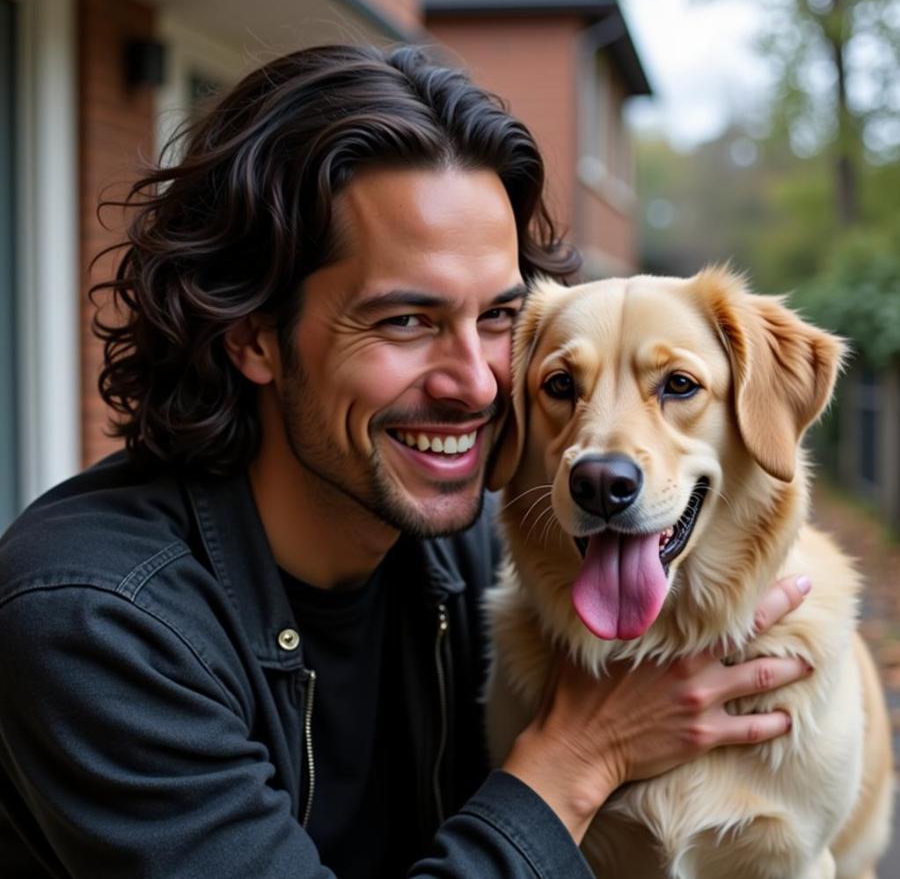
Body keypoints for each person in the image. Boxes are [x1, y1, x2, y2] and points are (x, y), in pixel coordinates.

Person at [0, 45, 811, 878]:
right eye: (405, 322)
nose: (475, 383)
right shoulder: (97, 623)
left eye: (498, 317)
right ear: (252, 334)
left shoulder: (477, 552)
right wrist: (578, 760)